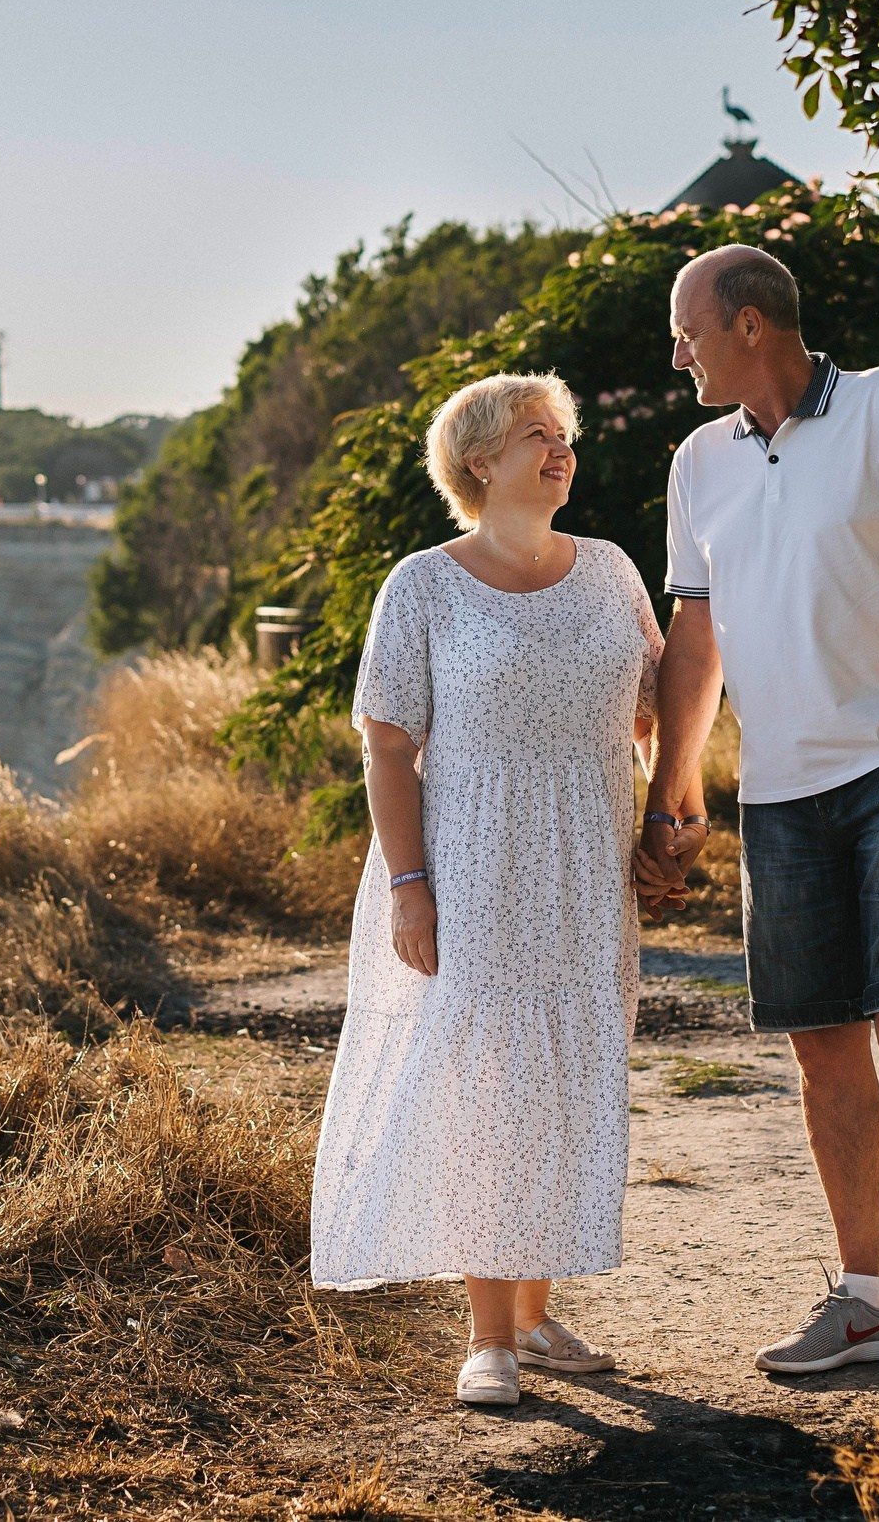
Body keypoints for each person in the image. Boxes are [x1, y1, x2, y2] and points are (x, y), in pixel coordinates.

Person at [634, 245, 879, 1417]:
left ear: (750, 324)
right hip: (783, 795)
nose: (676, 351)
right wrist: (677, 788)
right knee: (818, 1044)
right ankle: (858, 1298)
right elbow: (693, 644)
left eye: (686, 330)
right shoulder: (697, 461)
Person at [310, 372, 663, 1408]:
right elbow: (385, 745)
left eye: (564, 435)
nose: (560, 451)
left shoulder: (608, 571)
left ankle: (534, 1312)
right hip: (468, 862)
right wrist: (410, 888)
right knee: (486, 1086)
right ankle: (488, 1338)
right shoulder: (422, 582)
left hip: (587, 862)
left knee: (565, 1077)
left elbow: (657, 709)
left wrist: (669, 819)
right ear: (478, 462)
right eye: (534, 436)